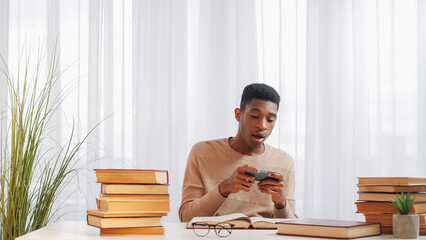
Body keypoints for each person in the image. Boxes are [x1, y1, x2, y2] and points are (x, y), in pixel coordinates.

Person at [179, 83, 297, 222]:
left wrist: (281, 204)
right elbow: (186, 217)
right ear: (238, 114)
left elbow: (291, 226)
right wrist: (224, 189)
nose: (262, 125)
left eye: (270, 119)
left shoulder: (284, 161)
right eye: (254, 116)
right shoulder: (202, 152)